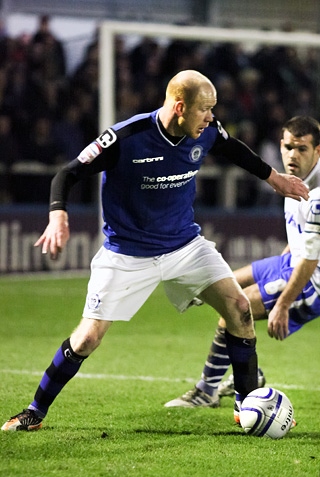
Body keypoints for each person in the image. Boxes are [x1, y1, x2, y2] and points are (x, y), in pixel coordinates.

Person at [1, 70, 308, 431]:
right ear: (180, 107)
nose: (211, 117)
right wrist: (57, 216)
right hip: (127, 255)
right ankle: (34, 410)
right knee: (87, 338)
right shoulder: (125, 137)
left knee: (239, 307)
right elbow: (66, 174)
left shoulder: (207, 131)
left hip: (185, 246)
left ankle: (246, 407)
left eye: (213, 110)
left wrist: (276, 179)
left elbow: (234, 149)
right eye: (204, 109)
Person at [165, 115, 320, 425]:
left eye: (301, 149)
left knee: (235, 311)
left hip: (312, 281)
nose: (292, 155)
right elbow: (304, 240)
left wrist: (284, 305)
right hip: (292, 261)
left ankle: (206, 390)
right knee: (220, 284)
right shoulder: (293, 180)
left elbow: (311, 259)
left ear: (318, 151)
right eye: (288, 147)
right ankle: (248, 371)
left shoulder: (317, 197)